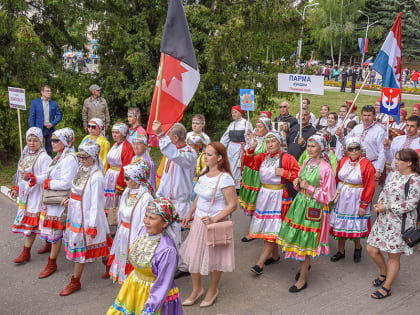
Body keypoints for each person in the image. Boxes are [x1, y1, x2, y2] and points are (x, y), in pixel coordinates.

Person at [180, 142, 237, 308]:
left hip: (215, 224)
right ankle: (197, 289)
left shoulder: (225, 178)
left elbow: (232, 205)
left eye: (210, 154)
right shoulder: (204, 175)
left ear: (219, 158)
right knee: (193, 254)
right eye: (205, 153)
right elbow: (199, 196)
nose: (205, 157)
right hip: (199, 221)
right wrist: (190, 212)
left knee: (214, 259)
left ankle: (213, 290)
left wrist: (214, 219)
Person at [277, 134, 336, 292]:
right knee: (297, 239)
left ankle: (302, 279)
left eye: (313, 146)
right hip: (300, 204)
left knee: (305, 242)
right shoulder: (306, 161)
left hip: (313, 209)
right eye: (308, 146)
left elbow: (327, 197)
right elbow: (300, 181)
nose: (309, 149)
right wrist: (297, 182)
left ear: (321, 147)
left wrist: (308, 188)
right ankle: (304, 268)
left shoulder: (326, 168)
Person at [106, 198, 183, 315]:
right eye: (146, 216)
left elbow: (163, 283)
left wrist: (150, 308)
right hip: (134, 286)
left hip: (154, 295)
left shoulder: (167, 250)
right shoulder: (143, 232)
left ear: (165, 223)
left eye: (152, 218)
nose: (146, 221)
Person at [60, 142, 113, 296]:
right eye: (79, 156)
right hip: (76, 213)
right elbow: (77, 190)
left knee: (81, 249)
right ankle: (109, 265)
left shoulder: (96, 177)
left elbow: (96, 203)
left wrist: (92, 225)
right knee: (99, 243)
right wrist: (71, 199)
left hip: (88, 217)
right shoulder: (81, 169)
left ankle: (75, 281)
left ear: (94, 157)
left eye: (85, 157)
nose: (81, 159)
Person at [367, 149, 420, 299]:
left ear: (409, 163)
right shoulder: (395, 174)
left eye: (399, 159)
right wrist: (381, 201)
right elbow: (384, 190)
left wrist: (389, 207)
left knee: (393, 256)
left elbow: (411, 204)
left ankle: (387, 287)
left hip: (399, 223)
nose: (395, 162)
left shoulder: (415, 180)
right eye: (395, 158)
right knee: (371, 248)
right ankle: (384, 273)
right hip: (384, 219)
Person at [244, 132, 299, 275]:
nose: (269, 144)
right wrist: (251, 148)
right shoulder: (263, 157)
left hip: (278, 198)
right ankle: (275, 256)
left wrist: (285, 173)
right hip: (265, 196)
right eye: (267, 142)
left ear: (279, 142)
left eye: (273, 141)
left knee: (272, 230)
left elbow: (298, 175)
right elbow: (249, 163)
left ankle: (259, 264)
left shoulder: (287, 158)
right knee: (269, 228)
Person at [37, 128, 79, 279]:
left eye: (56, 140)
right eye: (52, 140)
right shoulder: (59, 157)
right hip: (54, 201)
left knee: (57, 232)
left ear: (66, 142)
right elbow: (48, 173)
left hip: (61, 200)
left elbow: (67, 183)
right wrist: (35, 178)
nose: (52, 143)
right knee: (58, 232)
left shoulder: (69, 159)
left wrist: (49, 184)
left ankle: (52, 263)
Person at [329, 137, 376, 263]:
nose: (354, 151)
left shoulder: (367, 164)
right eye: (351, 149)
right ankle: (341, 251)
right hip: (342, 198)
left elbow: (370, 185)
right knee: (341, 223)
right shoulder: (343, 161)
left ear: (361, 149)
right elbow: (337, 179)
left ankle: (357, 248)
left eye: (357, 148)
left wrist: (364, 204)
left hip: (357, 198)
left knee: (355, 224)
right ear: (347, 150)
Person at [108, 160, 155, 284]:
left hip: (133, 236)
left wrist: (138, 242)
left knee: (133, 268)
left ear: (137, 179)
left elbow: (144, 223)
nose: (124, 180)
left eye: (127, 178)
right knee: (122, 262)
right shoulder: (127, 192)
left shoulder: (145, 197)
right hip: (123, 234)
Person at [10, 127, 52, 263]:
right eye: (29, 140)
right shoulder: (25, 154)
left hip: (37, 194)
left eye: (35, 140)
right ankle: (50, 243)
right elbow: (19, 173)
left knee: (33, 224)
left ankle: (26, 252)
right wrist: (16, 187)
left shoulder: (44, 157)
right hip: (25, 195)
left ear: (40, 141)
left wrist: (33, 177)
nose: (32, 143)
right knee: (39, 223)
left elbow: (47, 175)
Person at [239, 117, 272, 241]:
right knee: (251, 204)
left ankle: (260, 229)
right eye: (256, 126)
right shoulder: (253, 139)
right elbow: (246, 156)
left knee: (260, 203)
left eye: (260, 126)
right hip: (249, 173)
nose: (256, 128)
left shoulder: (269, 141)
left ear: (267, 129)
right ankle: (253, 229)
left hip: (259, 175)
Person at [337, 105, 386, 181]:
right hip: (356, 164)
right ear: (361, 116)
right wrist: (341, 136)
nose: (366, 118)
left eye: (369, 115)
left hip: (372, 164)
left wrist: (378, 170)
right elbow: (347, 142)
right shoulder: (357, 128)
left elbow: (382, 152)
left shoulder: (379, 131)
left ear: (374, 116)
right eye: (364, 115)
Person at [104, 123, 135, 215]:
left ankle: (117, 221)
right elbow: (109, 161)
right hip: (110, 176)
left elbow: (126, 166)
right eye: (113, 132)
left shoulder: (127, 147)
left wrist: (120, 185)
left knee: (117, 201)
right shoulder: (115, 145)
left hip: (118, 177)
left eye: (117, 132)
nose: (114, 134)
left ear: (124, 133)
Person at [220, 105, 253, 189]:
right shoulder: (231, 124)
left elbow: (249, 138)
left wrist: (247, 148)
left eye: (235, 112)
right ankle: (231, 184)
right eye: (232, 113)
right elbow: (225, 137)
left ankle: (238, 186)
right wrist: (220, 147)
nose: (233, 114)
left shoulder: (246, 123)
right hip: (231, 148)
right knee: (230, 166)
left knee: (238, 167)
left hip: (240, 148)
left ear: (240, 113)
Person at [29, 84, 62, 156]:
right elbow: (32, 117)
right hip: (38, 129)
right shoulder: (35, 102)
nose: (49, 92)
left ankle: (48, 164)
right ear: (42, 92)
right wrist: (32, 130)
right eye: (47, 91)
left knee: (49, 149)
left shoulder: (54, 103)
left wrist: (52, 123)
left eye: (50, 91)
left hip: (50, 129)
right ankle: (37, 163)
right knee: (37, 148)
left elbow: (59, 116)